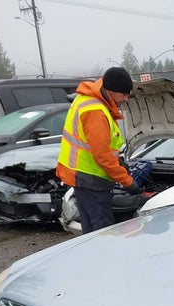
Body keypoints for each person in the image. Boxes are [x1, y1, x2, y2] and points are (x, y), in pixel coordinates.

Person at [56, 67, 141, 233]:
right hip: (92, 180)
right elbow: (101, 155)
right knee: (103, 233)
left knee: (91, 231)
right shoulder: (95, 111)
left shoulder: (89, 100)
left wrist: (118, 162)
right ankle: (105, 259)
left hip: (83, 177)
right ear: (111, 91)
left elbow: (101, 147)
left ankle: (93, 258)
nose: (126, 98)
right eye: (124, 94)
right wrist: (128, 182)